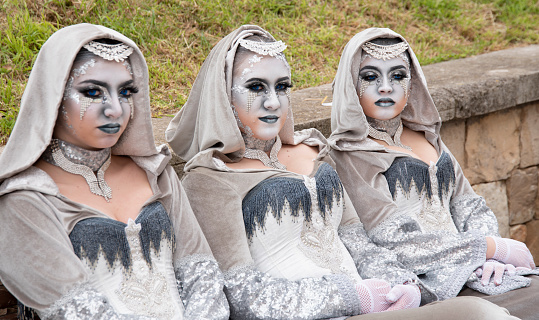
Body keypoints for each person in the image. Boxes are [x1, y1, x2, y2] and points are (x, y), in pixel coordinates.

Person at [165, 24, 518, 320]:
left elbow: (359, 242)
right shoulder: (207, 179)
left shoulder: (312, 150)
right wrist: (354, 296)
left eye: (282, 87)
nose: (273, 102)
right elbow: (242, 293)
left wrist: (400, 285)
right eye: (256, 87)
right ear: (223, 97)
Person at [0, 23, 229, 319]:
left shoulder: (156, 171)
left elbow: (203, 276)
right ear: (54, 97)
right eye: (93, 92)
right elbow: (77, 312)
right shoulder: (24, 199)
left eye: (125, 92)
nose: (115, 109)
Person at [328, 27, 539, 319]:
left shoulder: (428, 137)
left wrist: (493, 259)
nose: (386, 87)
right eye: (371, 77)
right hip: (429, 288)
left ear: (412, 84)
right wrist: (487, 246)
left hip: (480, 271)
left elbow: (470, 206)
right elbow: (395, 242)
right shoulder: (349, 154)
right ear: (352, 84)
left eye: (398, 76)